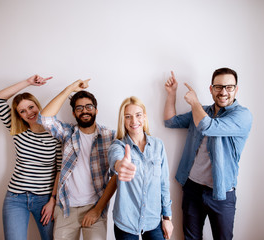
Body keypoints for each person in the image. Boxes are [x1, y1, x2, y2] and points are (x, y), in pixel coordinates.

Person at [164, 68, 253, 240]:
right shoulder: (202, 111)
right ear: (211, 89)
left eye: (229, 87)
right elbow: (170, 121)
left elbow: (208, 126)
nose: (224, 92)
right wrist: (171, 94)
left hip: (222, 193)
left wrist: (194, 102)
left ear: (236, 89)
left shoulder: (242, 115)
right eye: (219, 87)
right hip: (192, 189)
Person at [38, 79, 117, 240]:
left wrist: (97, 210)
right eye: (79, 108)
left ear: (95, 110)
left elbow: (116, 176)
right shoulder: (67, 133)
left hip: (95, 207)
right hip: (66, 208)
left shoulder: (110, 136)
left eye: (89, 107)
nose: (85, 111)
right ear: (74, 113)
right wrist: (70, 88)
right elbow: (45, 118)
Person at [0, 75, 62, 240]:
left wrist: (52, 200)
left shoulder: (56, 131)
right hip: (15, 198)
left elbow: (60, 169)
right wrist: (28, 83)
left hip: (44, 199)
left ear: (38, 106)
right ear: (19, 115)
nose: (29, 113)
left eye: (31, 107)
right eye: (22, 111)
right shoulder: (17, 129)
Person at [108, 96, 174, 240]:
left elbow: (164, 184)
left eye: (138, 115)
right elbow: (116, 158)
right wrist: (120, 165)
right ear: (123, 121)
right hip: (126, 221)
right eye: (128, 117)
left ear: (144, 117)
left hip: (153, 220)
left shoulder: (158, 145)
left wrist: (167, 218)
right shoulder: (117, 146)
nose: (134, 121)